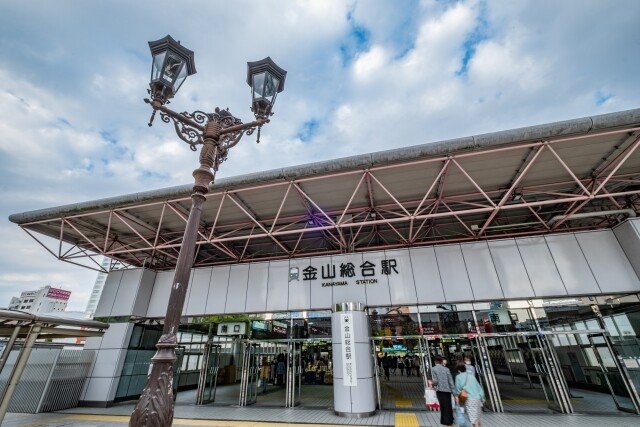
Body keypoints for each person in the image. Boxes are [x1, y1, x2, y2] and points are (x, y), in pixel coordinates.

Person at [455, 361, 485, 427]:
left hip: (469, 400)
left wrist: (456, 396)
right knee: (478, 418)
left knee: (473, 420)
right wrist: (482, 398)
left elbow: (458, 390)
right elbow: (479, 388)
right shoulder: (471, 376)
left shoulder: (458, 377)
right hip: (477, 399)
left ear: (458, 370)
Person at [428, 355, 455, 426]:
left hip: (440, 390)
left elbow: (436, 381)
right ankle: (450, 420)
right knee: (448, 405)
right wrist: (454, 393)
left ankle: (446, 421)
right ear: (441, 361)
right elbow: (451, 382)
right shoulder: (447, 369)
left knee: (443, 406)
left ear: (435, 361)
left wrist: (431, 383)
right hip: (448, 390)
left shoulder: (433, 369)